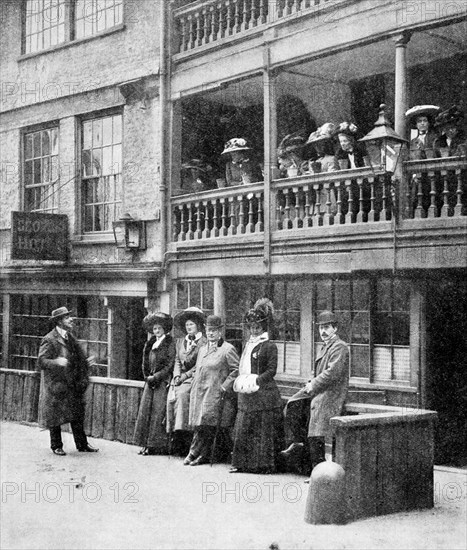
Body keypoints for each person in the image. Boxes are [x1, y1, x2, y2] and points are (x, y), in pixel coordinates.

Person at [281, 311, 349, 475]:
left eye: (326, 327)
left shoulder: (339, 346)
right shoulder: (326, 346)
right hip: (321, 391)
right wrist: (311, 383)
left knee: (316, 428)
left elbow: (332, 373)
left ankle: (319, 473)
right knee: (293, 402)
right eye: (321, 328)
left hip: (332, 393)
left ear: (335, 328)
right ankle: (296, 443)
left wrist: (314, 385)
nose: (323, 331)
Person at [230, 299, 284, 474]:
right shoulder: (248, 345)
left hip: (264, 394)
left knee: (261, 431)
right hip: (246, 392)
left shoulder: (269, 346)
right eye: (251, 327)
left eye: (257, 327)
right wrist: (244, 381)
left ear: (264, 327)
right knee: (244, 427)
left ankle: (263, 465)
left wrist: (256, 381)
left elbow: (271, 371)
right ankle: (241, 464)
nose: (254, 330)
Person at [37, 306, 98, 456]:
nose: (71, 320)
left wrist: (85, 362)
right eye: (67, 318)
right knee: (55, 415)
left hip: (72, 383)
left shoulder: (70, 337)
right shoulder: (49, 339)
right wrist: (56, 362)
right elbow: (41, 361)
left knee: (77, 413)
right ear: (59, 321)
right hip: (56, 384)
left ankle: (82, 444)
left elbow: (76, 359)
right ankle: (56, 445)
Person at [185, 315, 239, 466]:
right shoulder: (202, 349)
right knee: (199, 423)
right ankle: (195, 452)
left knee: (208, 422)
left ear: (220, 332)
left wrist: (225, 386)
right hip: (200, 390)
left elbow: (236, 370)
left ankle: (203, 454)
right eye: (208, 330)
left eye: (214, 331)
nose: (210, 334)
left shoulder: (227, 349)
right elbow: (197, 367)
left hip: (214, 391)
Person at [166, 307, 207, 456]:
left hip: (194, 378)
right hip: (180, 378)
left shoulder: (203, 342)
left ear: (198, 325)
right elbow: (177, 360)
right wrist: (177, 375)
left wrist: (184, 376)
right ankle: (174, 438)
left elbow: (200, 365)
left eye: (192, 325)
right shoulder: (181, 342)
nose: (189, 327)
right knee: (171, 397)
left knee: (182, 395)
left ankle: (184, 437)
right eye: (187, 325)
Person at [133, 312, 176, 455]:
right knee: (145, 412)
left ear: (164, 329)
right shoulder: (150, 343)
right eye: (154, 329)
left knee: (158, 413)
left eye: (159, 328)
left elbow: (170, 364)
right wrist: (147, 376)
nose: (156, 331)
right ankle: (144, 444)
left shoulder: (169, 343)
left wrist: (157, 376)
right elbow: (145, 361)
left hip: (162, 382)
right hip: (150, 382)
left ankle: (155, 445)